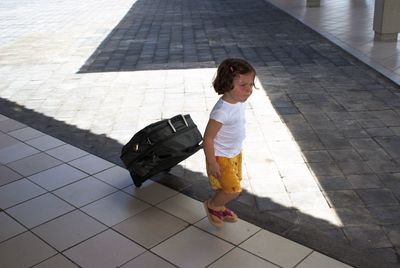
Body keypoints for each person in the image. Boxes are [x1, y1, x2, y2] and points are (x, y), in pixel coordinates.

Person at [203, 58, 256, 228]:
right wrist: (212, 162)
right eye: (243, 85)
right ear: (227, 84)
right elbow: (208, 139)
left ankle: (220, 205)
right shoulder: (221, 111)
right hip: (221, 157)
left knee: (226, 186)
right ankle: (213, 205)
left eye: (251, 84)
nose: (249, 90)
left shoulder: (238, 102)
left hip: (234, 153)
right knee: (233, 190)